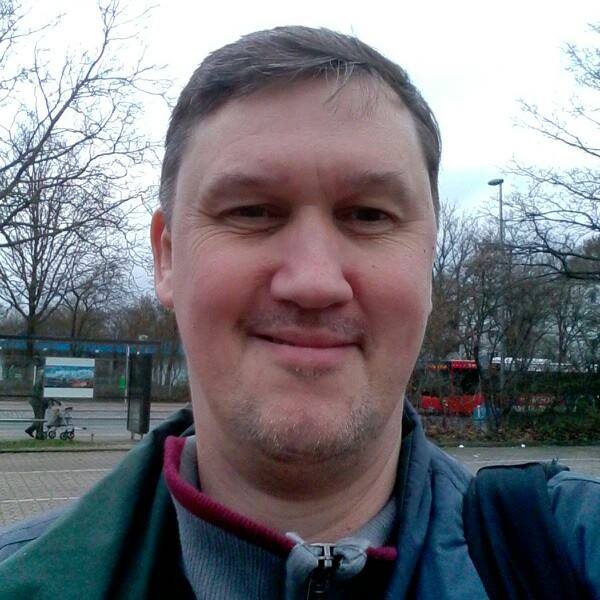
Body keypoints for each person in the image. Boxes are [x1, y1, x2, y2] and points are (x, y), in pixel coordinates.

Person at [0, 26, 598, 598]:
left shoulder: (565, 552)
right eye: (251, 211)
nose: (313, 282)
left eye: (369, 215)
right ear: (167, 259)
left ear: (428, 261)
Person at [24, 360, 47, 439]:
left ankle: (38, 433)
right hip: (37, 400)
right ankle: (35, 432)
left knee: (40, 417)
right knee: (40, 417)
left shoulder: (41, 375)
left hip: (37, 399)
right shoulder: (42, 377)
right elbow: (39, 391)